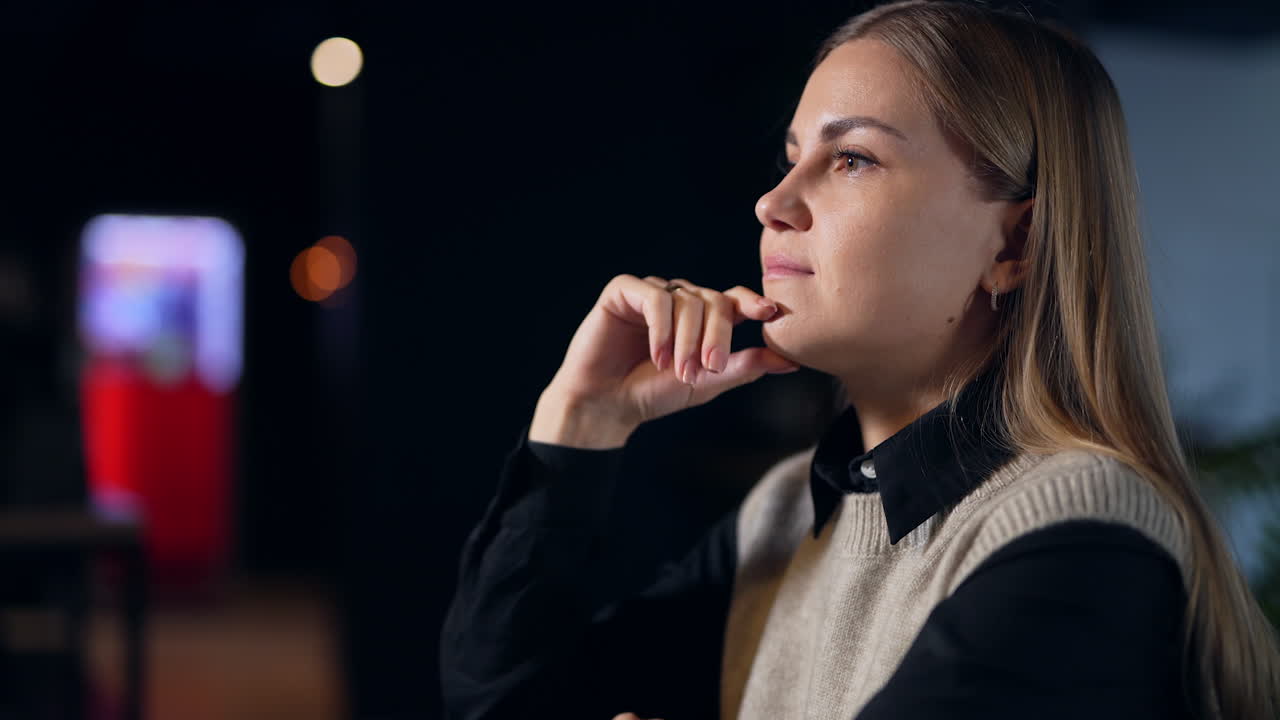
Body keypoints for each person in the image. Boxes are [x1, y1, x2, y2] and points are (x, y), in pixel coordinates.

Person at [439, 1, 1280, 718]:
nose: (773, 203)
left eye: (852, 159)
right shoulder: (783, 516)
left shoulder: (1083, 538)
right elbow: (502, 700)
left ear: (1017, 241)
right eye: (791, 156)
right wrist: (578, 422)